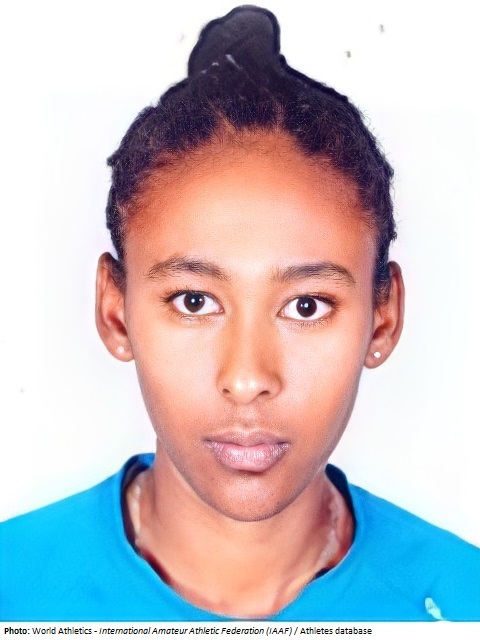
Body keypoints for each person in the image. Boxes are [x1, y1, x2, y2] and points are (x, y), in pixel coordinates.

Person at [1, 5, 479, 623]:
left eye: (306, 306)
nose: (248, 378)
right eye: (194, 302)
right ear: (116, 313)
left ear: (381, 319)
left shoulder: (462, 602)